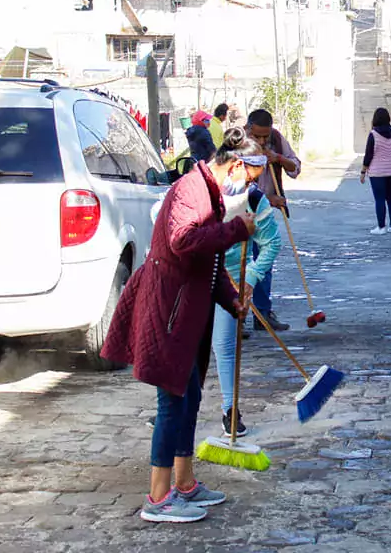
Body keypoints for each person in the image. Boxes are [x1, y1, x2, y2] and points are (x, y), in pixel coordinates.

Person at [100, 127, 264, 523]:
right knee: (172, 403)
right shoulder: (191, 189)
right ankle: (158, 497)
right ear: (237, 166)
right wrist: (236, 230)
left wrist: (232, 301)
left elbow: (208, 267)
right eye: (251, 178)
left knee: (188, 397)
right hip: (169, 312)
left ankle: (185, 482)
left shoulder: (209, 195)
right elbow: (183, 241)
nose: (248, 187)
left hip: (187, 312)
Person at [212, 183, 282, 438]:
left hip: (232, 279)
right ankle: (169, 406)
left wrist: (250, 277)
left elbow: (272, 242)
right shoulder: (199, 188)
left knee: (225, 345)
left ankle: (231, 410)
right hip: (195, 276)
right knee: (182, 344)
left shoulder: (253, 196)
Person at [246, 109, 301, 332]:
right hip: (241, 213)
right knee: (238, 265)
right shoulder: (237, 143)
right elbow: (237, 187)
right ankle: (236, 318)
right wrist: (268, 198)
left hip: (265, 215)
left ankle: (262, 313)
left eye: (264, 137)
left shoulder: (276, 139)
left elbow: (295, 167)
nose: (260, 141)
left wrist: (277, 158)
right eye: (256, 136)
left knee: (264, 262)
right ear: (248, 129)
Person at [360, 108, 391, 235]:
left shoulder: (373, 134)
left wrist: (363, 172)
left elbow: (368, 155)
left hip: (377, 172)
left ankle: (381, 227)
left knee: (379, 199)